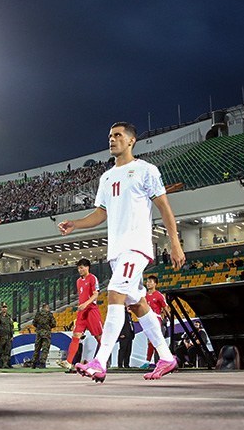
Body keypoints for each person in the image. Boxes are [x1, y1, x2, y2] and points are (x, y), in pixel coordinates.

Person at [58, 121, 186, 383]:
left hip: (136, 246)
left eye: (118, 135)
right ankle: (166, 356)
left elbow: (164, 206)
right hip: (116, 251)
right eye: (110, 136)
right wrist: (76, 224)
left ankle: (100, 361)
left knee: (115, 293)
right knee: (137, 303)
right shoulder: (106, 177)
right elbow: (101, 213)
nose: (112, 139)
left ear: (131, 141)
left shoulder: (145, 170)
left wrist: (174, 242)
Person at [58, 258, 103, 370]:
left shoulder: (92, 278)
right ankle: (69, 362)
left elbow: (96, 294)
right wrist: (81, 306)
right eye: (78, 268)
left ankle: (104, 360)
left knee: (99, 337)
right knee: (76, 335)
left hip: (91, 310)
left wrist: (86, 304)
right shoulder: (78, 281)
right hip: (82, 312)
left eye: (82, 267)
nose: (80, 270)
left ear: (87, 267)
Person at [140, 275, 168, 369]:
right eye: (147, 281)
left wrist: (168, 318)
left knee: (156, 340)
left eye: (151, 282)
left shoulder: (159, 295)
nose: (148, 283)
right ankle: (149, 361)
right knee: (150, 341)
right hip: (147, 319)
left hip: (156, 319)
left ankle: (155, 361)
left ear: (155, 284)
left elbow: (165, 308)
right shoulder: (144, 295)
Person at [31, 302, 56, 368]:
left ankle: (34, 363)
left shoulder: (38, 314)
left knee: (37, 348)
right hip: (46, 333)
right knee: (45, 348)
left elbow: (34, 323)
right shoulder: (49, 315)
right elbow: (54, 324)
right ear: (46, 307)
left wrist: (39, 327)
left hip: (39, 333)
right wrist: (48, 327)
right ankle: (42, 363)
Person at [0, 303, 14, 369]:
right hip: (2, 336)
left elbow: (11, 326)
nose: (4, 308)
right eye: (3, 307)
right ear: (1, 308)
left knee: (7, 350)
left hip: (8, 336)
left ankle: (6, 363)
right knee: (0, 350)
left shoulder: (9, 316)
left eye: (5, 307)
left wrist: (12, 335)